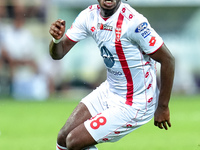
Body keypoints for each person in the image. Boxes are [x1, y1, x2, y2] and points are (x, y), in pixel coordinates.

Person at [49, 0, 175, 149]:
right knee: (63, 138)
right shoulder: (89, 16)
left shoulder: (134, 22)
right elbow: (59, 53)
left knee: (74, 141)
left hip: (136, 102)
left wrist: (162, 106)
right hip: (110, 90)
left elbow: (168, 60)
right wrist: (56, 40)